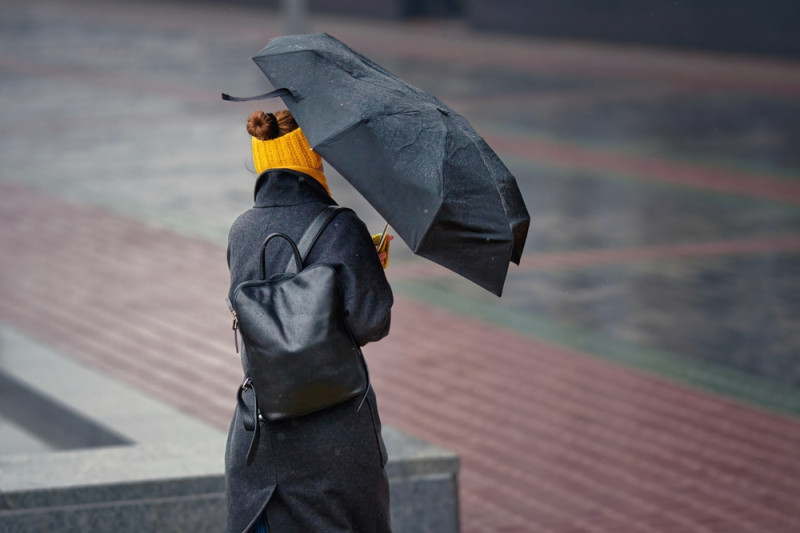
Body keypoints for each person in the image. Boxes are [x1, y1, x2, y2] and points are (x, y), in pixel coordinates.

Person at [224, 109, 394, 533]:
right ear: (311, 159)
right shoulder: (343, 228)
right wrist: (371, 268)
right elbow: (371, 322)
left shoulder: (241, 230)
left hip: (259, 439)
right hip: (334, 442)